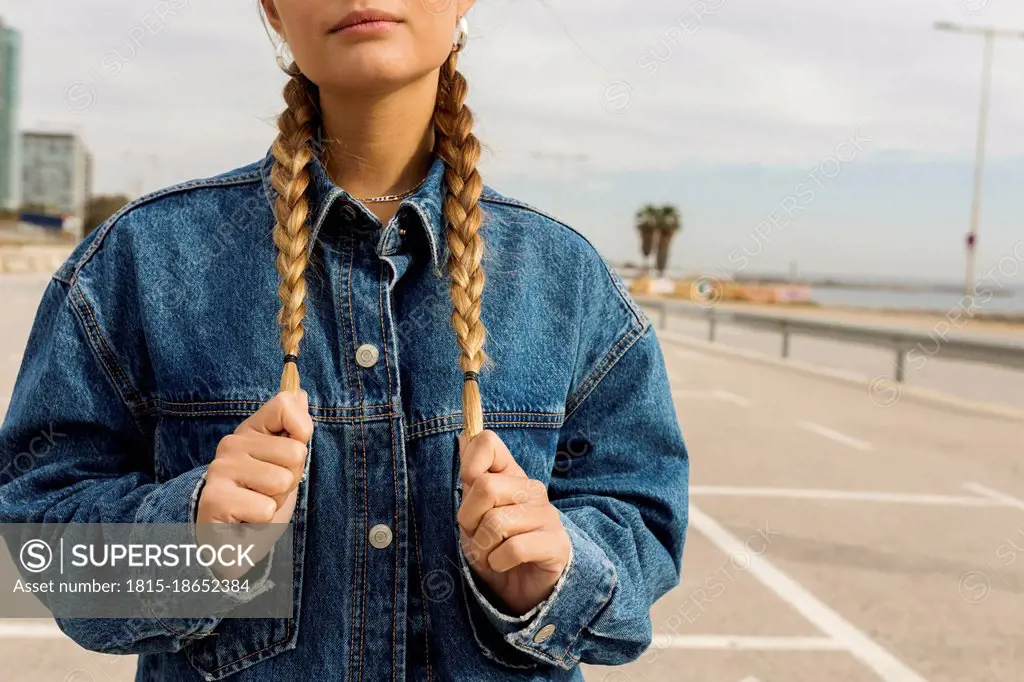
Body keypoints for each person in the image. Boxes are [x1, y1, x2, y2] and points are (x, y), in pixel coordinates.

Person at [0, 1, 689, 679]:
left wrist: (554, 572)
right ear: (272, 9)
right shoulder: (142, 261)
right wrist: (186, 541)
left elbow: (645, 526)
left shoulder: (565, 277)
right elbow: (38, 544)